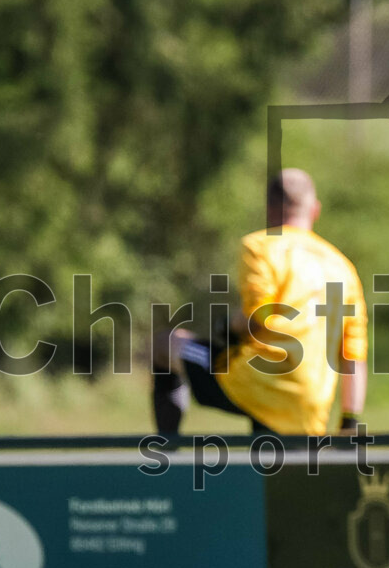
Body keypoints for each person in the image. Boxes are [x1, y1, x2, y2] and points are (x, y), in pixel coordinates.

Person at [151, 167, 367, 435]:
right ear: (315, 210)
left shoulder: (261, 247)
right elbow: (353, 356)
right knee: (270, 471)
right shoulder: (343, 268)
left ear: (270, 208)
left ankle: (166, 459)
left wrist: (226, 328)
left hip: (257, 384)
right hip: (310, 405)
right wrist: (350, 420)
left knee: (163, 345)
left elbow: (258, 317)